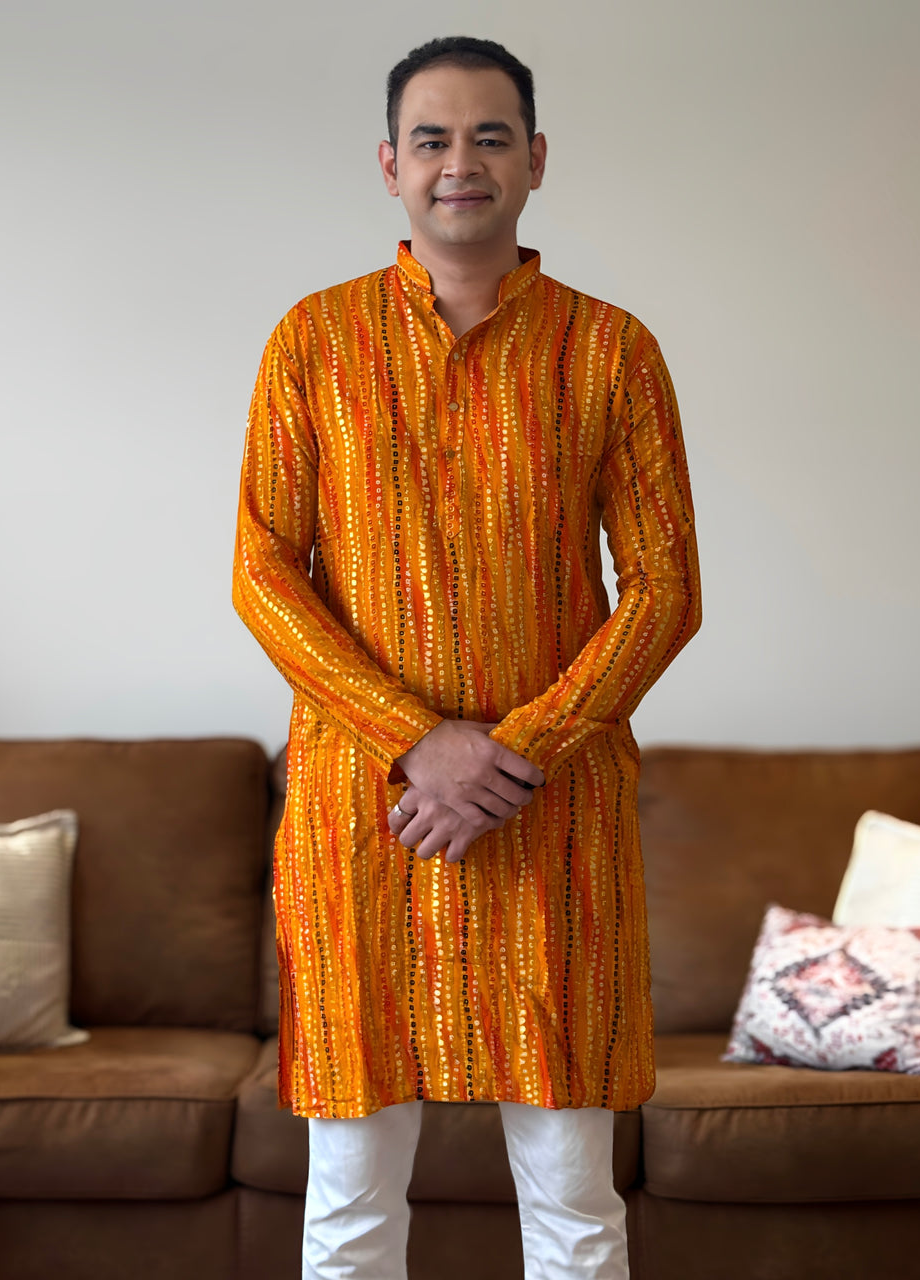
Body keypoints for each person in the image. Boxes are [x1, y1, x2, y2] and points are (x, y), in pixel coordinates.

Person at [232, 35, 700, 1280]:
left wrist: (513, 749)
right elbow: (263, 574)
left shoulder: (612, 352)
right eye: (432, 139)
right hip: (365, 820)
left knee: (574, 1207)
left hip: (548, 822)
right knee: (346, 1211)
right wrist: (420, 741)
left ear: (535, 160)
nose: (460, 163)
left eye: (490, 136)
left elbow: (664, 590)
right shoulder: (311, 345)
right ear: (389, 165)